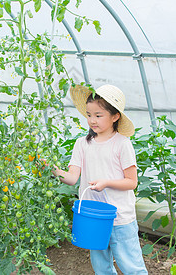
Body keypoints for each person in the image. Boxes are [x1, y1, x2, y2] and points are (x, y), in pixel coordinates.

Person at [52, 84, 147, 275]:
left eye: (98, 115)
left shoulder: (122, 144)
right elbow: (71, 178)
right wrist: (51, 169)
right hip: (92, 217)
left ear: (115, 116)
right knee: (101, 268)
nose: (92, 120)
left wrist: (106, 182)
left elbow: (131, 182)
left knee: (132, 268)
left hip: (120, 218)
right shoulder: (82, 144)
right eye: (89, 115)